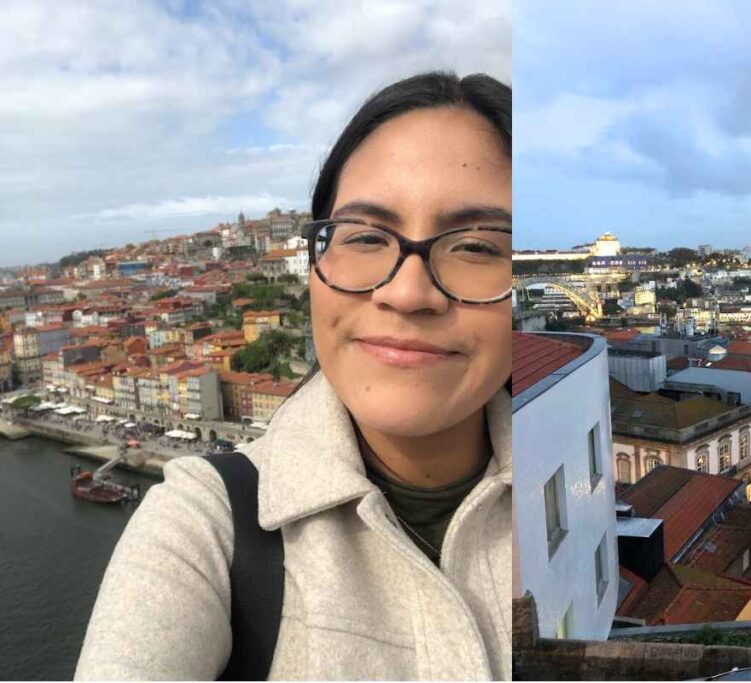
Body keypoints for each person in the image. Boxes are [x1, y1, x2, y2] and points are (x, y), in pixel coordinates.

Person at [75, 71, 512, 680]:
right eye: (364, 236)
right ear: (314, 264)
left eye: (476, 247)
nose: (408, 293)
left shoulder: (578, 491)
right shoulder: (205, 528)